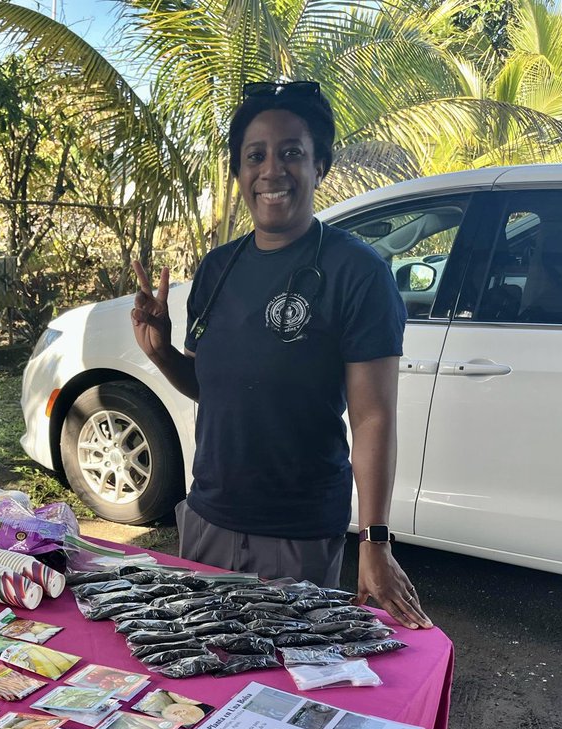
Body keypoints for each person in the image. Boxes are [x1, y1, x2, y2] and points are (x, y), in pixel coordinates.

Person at [131, 80, 431, 630]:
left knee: (281, 688)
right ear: (239, 171)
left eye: (292, 152)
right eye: (255, 155)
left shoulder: (356, 274)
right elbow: (211, 387)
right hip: (207, 519)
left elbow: (373, 417)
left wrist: (375, 541)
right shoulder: (217, 270)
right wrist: (162, 354)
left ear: (320, 166)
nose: (272, 170)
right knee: (199, 671)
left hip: (297, 534)